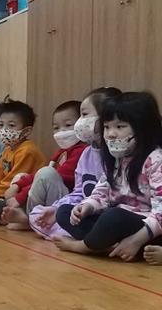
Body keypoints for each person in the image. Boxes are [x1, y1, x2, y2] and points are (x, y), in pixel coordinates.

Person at [55, 91, 162, 260]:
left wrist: (136, 239)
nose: (111, 134)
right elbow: (102, 192)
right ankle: (109, 246)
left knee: (113, 217)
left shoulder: (155, 160)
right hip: (116, 222)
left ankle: (86, 247)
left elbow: (160, 212)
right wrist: (87, 206)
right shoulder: (117, 158)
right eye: (106, 127)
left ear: (143, 128)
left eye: (120, 127)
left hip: (148, 227)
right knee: (64, 212)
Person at [27, 87, 121, 241]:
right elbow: (78, 192)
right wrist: (56, 209)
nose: (79, 122)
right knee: (52, 213)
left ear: (105, 117)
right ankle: (88, 238)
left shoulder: (117, 155)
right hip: (85, 210)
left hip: (105, 213)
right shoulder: (87, 154)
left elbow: (116, 198)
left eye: (84, 115)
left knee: (110, 218)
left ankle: (90, 241)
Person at [0, 99, 85, 229]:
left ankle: (30, 219)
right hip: (55, 198)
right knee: (21, 177)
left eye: (68, 125)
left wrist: (18, 198)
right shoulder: (62, 152)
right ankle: (30, 216)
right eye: (56, 128)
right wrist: (18, 185)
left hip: (69, 203)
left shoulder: (81, 151)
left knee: (46, 173)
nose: (61, 131)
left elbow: (52, 175)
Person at [0, 100, 47, 223]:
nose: (4, 130)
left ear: (26, 131)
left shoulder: (27, 151)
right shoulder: (8, 149)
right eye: (1, 125)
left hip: (21, 199)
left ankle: (11, 217)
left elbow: (11, 186)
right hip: (3, 194)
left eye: (11, 125)